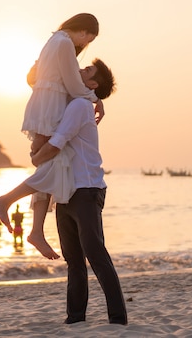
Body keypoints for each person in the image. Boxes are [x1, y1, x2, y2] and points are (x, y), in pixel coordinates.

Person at [31, 69, 127, 325]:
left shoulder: (80, 106)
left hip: (86, 190)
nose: (80, 69)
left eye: (88, 70)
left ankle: (118, 319)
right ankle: (75, 318)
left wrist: (36, 158)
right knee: (73, 260)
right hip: (66, 192)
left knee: (96, 254)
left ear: (93, 83)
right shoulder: (78, 102)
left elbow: (59, 141)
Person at [0, 57, 113, 259]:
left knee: (50, 170)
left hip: (49, 121)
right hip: (47, 120)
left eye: (87, 70)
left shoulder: (71, 78)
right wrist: (95, 98)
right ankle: (11, 207)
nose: (81, 69)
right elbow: (32, 78)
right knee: (49, 167)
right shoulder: (62, 60)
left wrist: (96, 98)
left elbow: (77, 89)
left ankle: (31, 226)